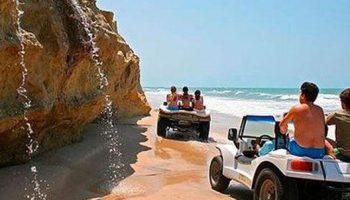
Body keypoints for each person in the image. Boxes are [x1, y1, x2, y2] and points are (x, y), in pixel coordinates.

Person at [279, 82, 326, 159]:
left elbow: (282, 126)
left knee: (289, 137)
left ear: (303, 95)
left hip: (300, 150)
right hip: (319, 151)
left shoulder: (296, 109)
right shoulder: (320, 110)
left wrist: (284, 130)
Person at [326, 88, 350, 162]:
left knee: (321, 139)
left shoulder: (337, 115)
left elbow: (320, 124)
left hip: (343, 154)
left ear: (342, 103)